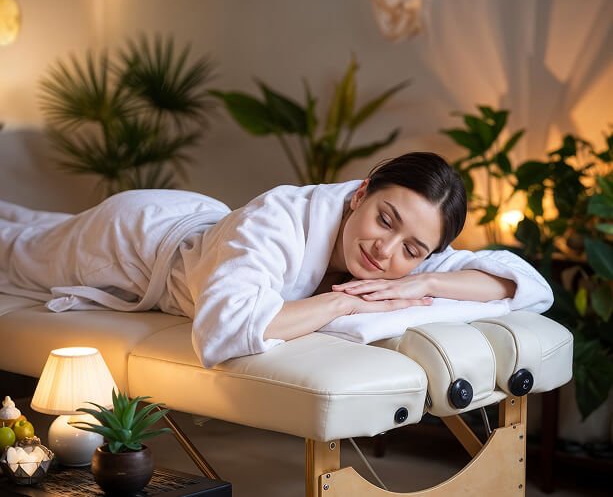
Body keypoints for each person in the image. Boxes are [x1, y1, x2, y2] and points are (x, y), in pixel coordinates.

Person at [0, 152, 553, 367]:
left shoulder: (405, 262)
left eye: (413, 249)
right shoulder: (281, 219)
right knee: (15, 251)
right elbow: (223, 330)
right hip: (130, 242)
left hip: (202, 220)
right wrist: (340, 303)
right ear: (360, 194)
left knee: (33, 224)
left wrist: (419, 285)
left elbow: (523, 283)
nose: (385, 251)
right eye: (385, 220)